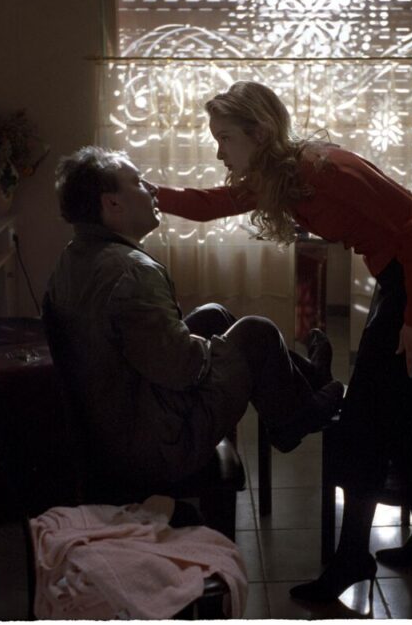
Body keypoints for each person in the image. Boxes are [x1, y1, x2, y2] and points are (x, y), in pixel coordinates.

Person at [153, 81, 412, 604]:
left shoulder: (322, 169)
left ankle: (352, 558)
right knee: (401, 402)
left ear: (260, 132)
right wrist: (145, 192)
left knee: (368, 414)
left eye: (225, 138)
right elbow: (208, 203)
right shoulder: (276, 176)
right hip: (402, 273)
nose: (218, 152)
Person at [44, 145, 343, 501]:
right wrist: (216, 347)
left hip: (116, 424)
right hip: (154, 447)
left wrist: (209, 341)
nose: (152, 189)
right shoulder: (132, 272)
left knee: (215, 315)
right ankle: (294, 419)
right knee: (256, 332)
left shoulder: (74, 258)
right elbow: (184, 369)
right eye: (138, 182)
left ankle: (309, 381)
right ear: (112, 204)